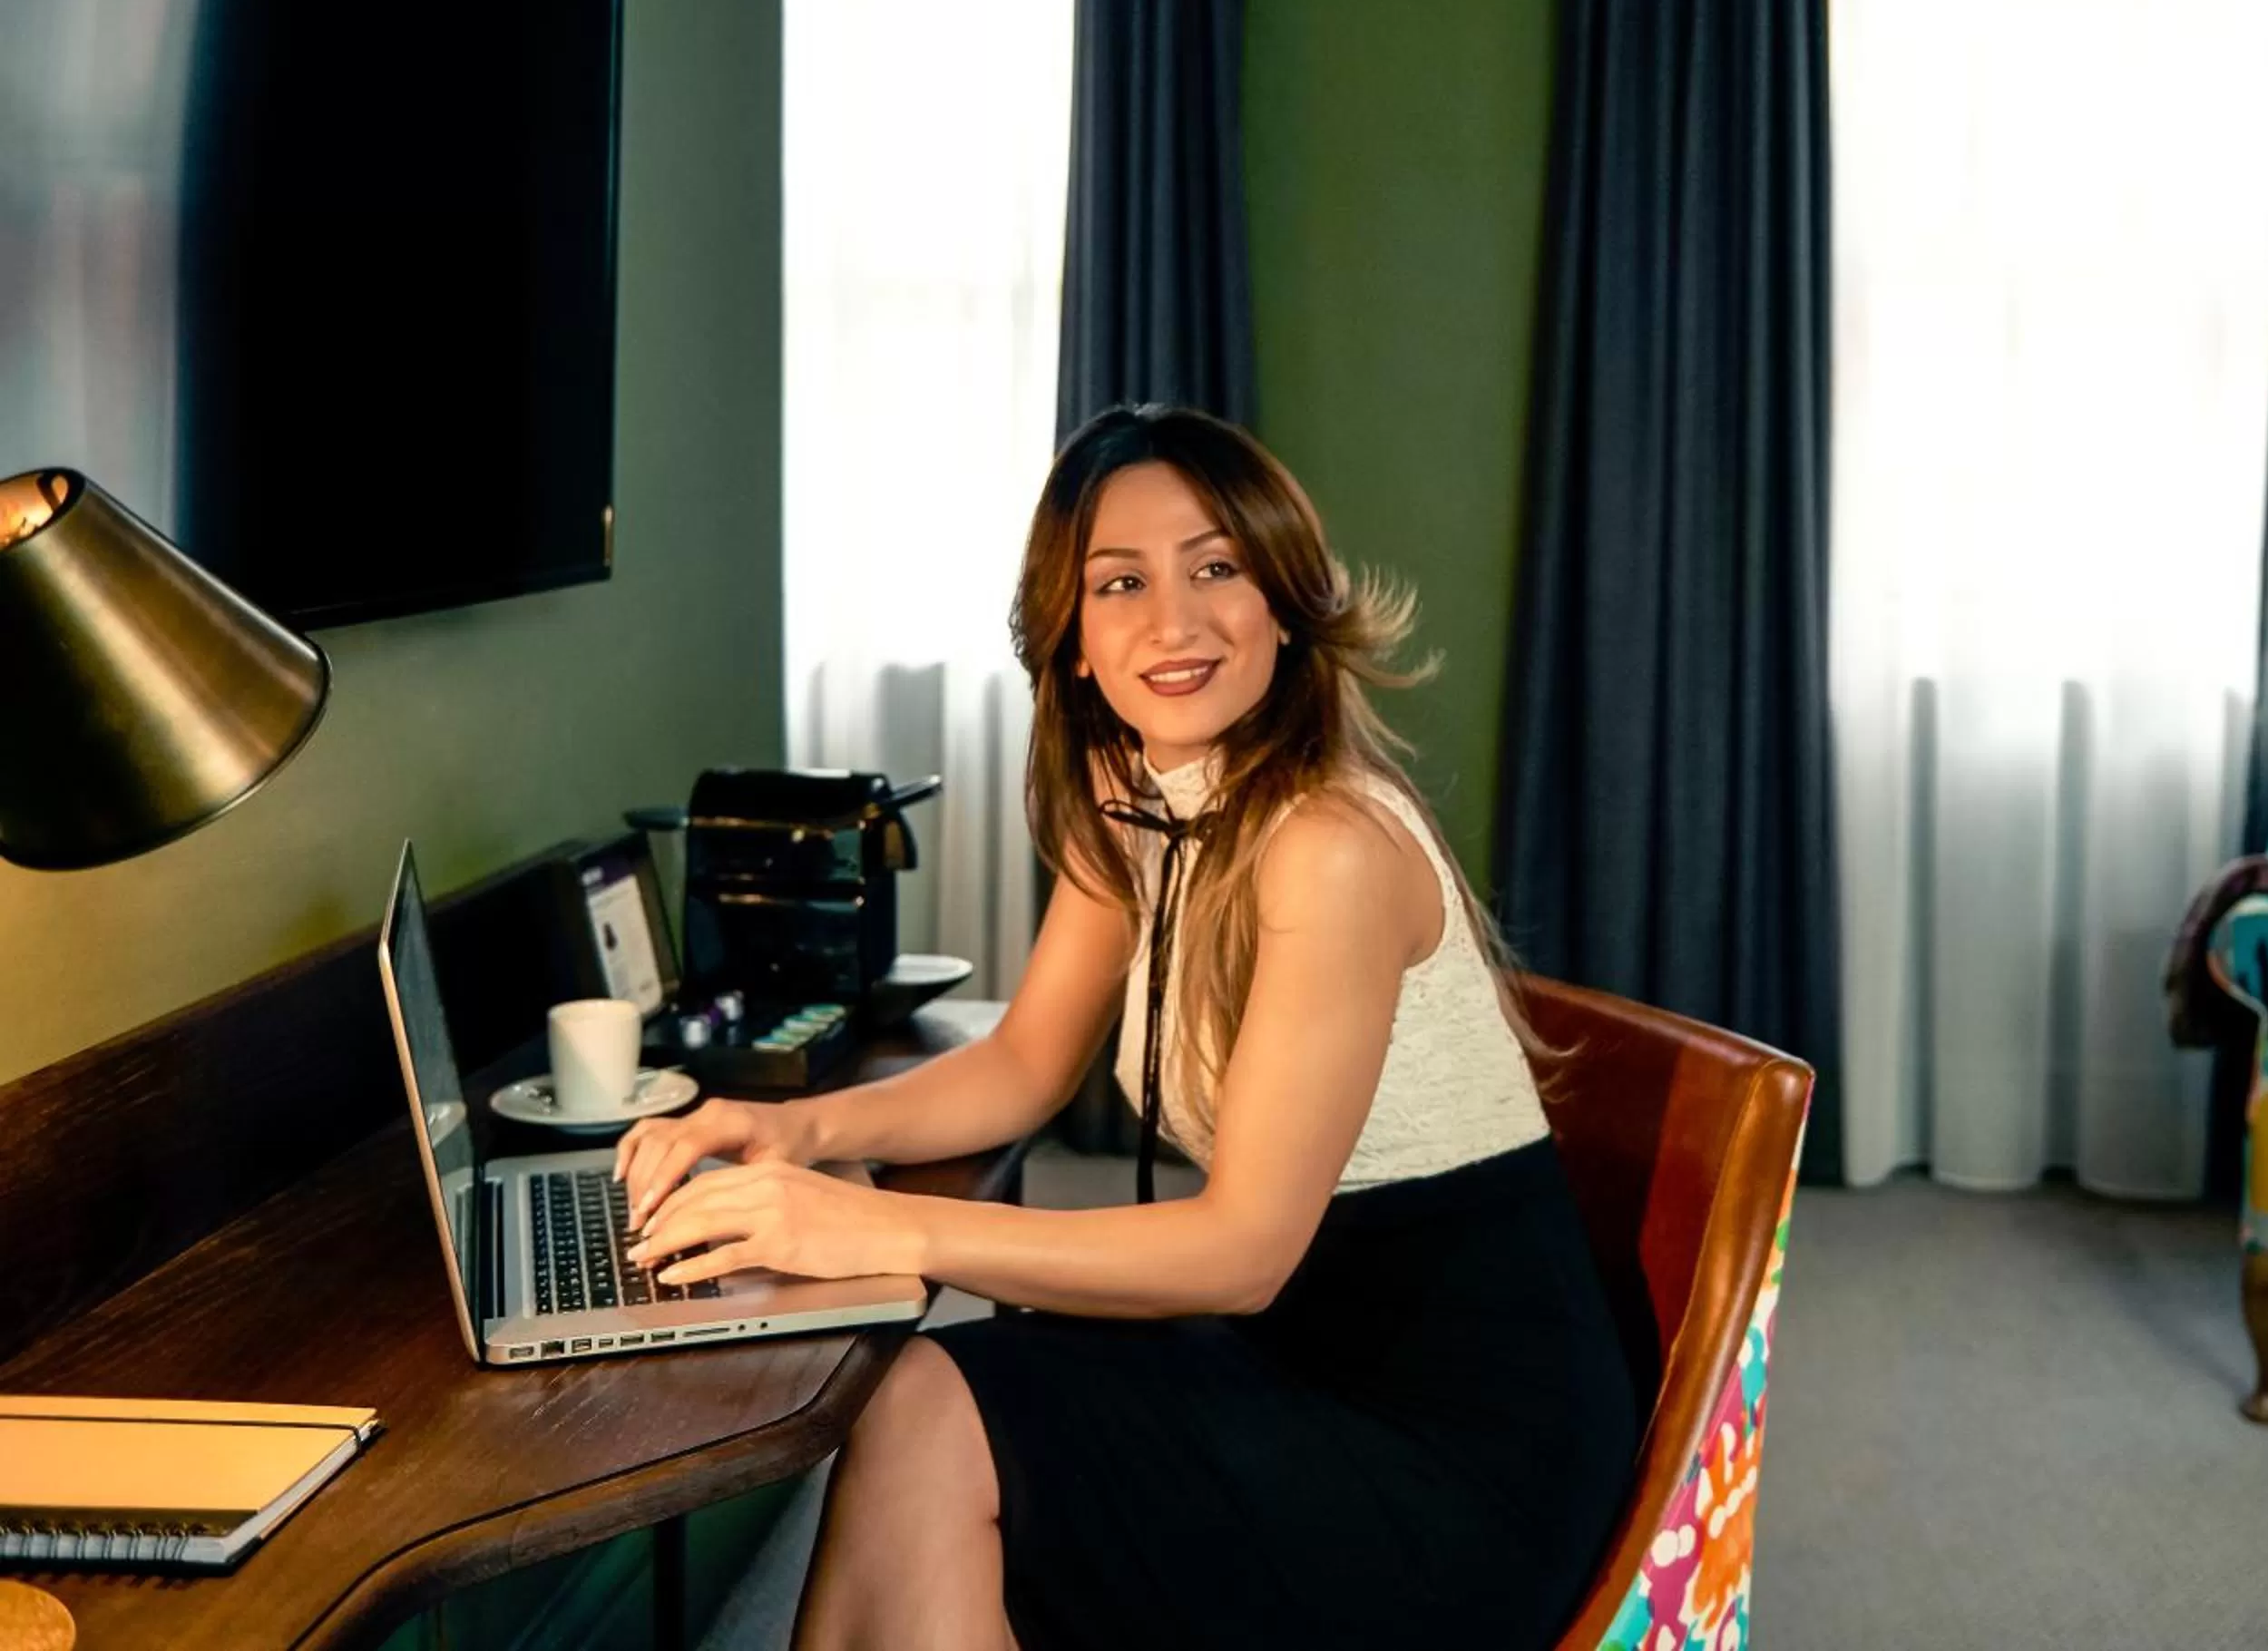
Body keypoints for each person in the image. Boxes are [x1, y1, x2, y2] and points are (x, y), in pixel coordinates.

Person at [614, 405, 1636, 1651]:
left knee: (937, 1421)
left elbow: (1242, 1248)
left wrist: (874, 1221)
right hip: (1297, 1350)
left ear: (1283, 598)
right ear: (1075, 641)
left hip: (1450, 1444)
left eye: (1217, 566)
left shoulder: (1327, 848)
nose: (1176, 620)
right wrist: (791, 1124)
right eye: (1120, 583)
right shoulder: (1140, 801)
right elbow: (1022, 1064)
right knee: (921, 1402)